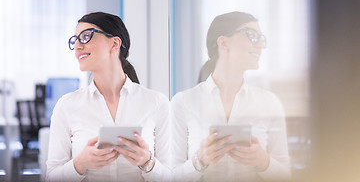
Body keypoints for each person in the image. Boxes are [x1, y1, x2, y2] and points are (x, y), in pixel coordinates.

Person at [46, 12, 171, 182]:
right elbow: (51, 177)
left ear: (114, 44)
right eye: (74, 40)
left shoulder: (157, 103)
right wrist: (79, 164)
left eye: (85, 37)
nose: (77, 46)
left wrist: (147, 162)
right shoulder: (66, 106)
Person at [171, 12, 291, 181]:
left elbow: (287, 175)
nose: (260, 45)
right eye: (252, 35)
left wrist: (264, 161)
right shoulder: (183, 103)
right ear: (223, 43)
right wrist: (199, 161)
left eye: (261, 38)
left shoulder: (269, 103)